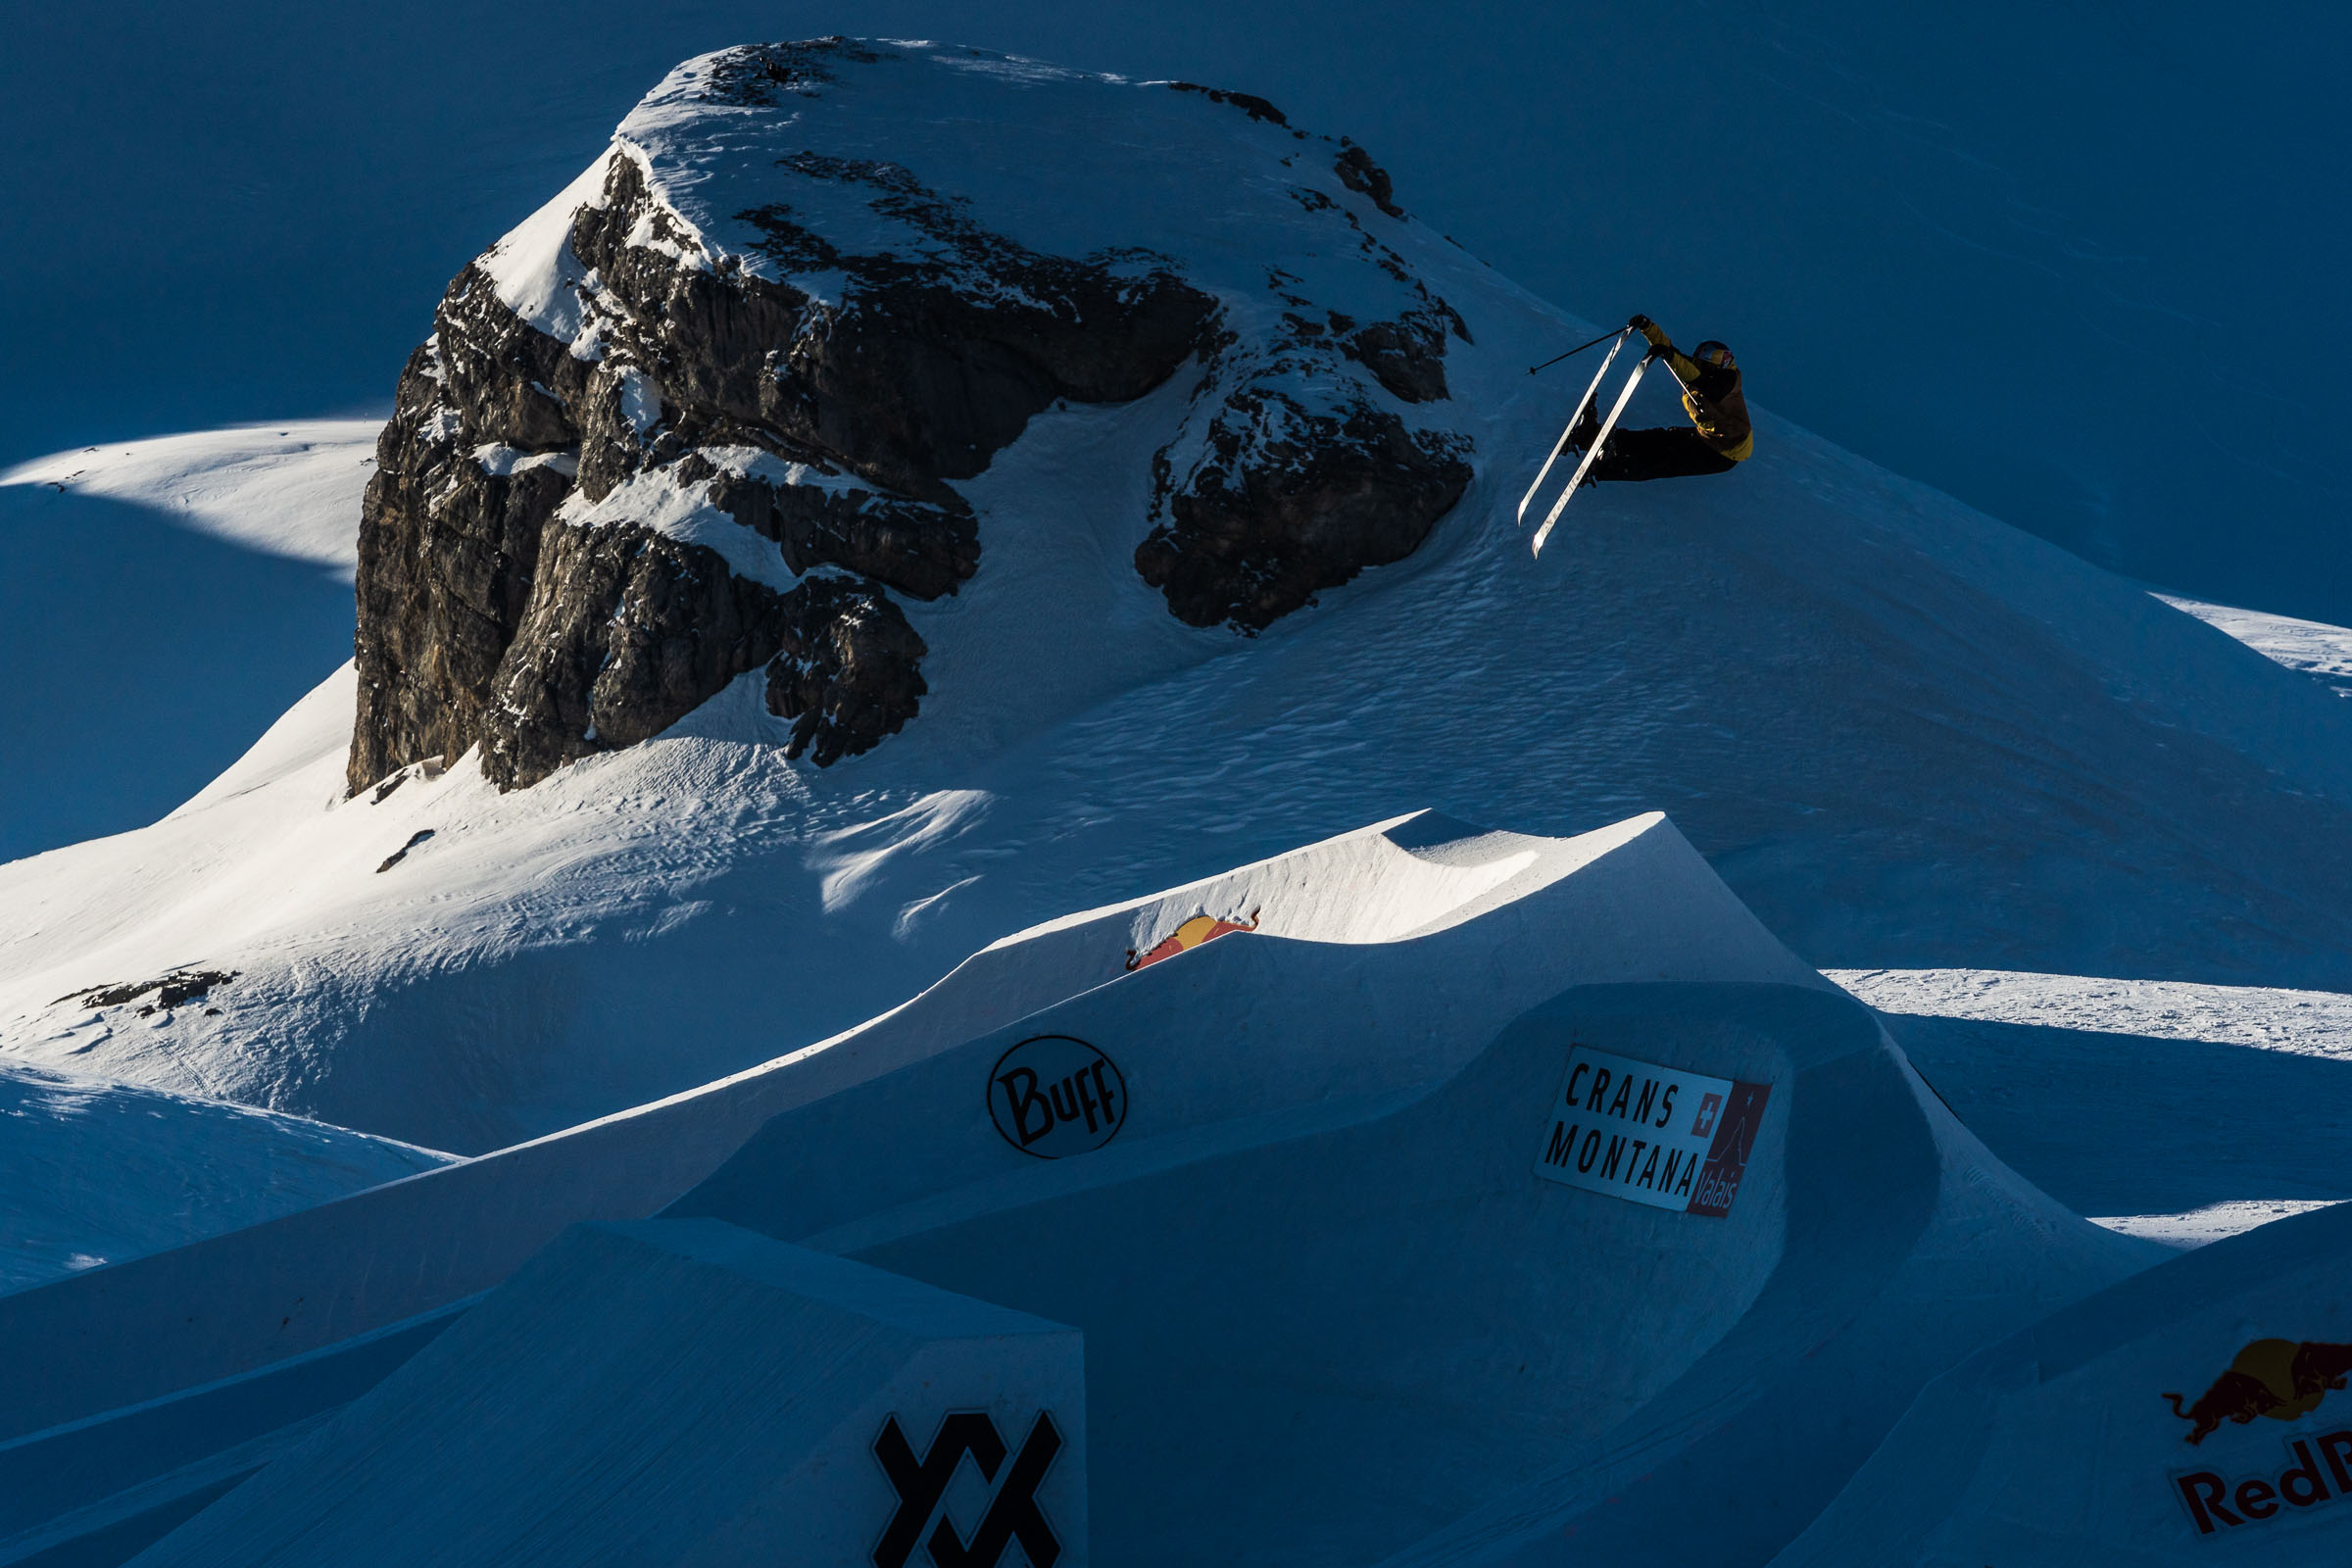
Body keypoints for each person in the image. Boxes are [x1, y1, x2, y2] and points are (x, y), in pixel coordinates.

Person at [1564, 314, 1751, 481]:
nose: (1700, 366)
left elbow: (1699, 380)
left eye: (1706, 365)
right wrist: (1648, 328)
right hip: (1709, 436)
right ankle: (1591, 436)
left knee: (1665, 461)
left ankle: (1606, 468)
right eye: (1699, 362)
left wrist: (1670, 356)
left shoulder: (1728, 381)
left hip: (1726, 451)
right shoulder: (1699, 371)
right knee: (1658, 439)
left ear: (1718, 366)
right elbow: (1674, 354)